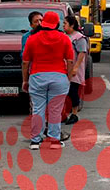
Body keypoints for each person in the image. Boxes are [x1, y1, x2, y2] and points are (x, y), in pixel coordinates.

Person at [21, 11, 74, 150]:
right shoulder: (64, 38)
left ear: (43, 23)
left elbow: (26, 62)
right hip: (59, 77)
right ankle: (54, 140)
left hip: (37, 76)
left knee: (38, 109)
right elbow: (70, 60)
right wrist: (67, 78)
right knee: (55, 110)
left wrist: (25, 80)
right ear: (56, 24)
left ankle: (35, 141)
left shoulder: (32, 39)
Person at [64, 15, 88, 125]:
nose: (63, 25)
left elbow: (82, 53)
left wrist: (76, 68)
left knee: (73, 91)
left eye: (65, 23)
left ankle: (74, 114)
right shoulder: (65, 36)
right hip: (65, 68)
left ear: (72, 25)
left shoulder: (79, 38)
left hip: (74, 70)